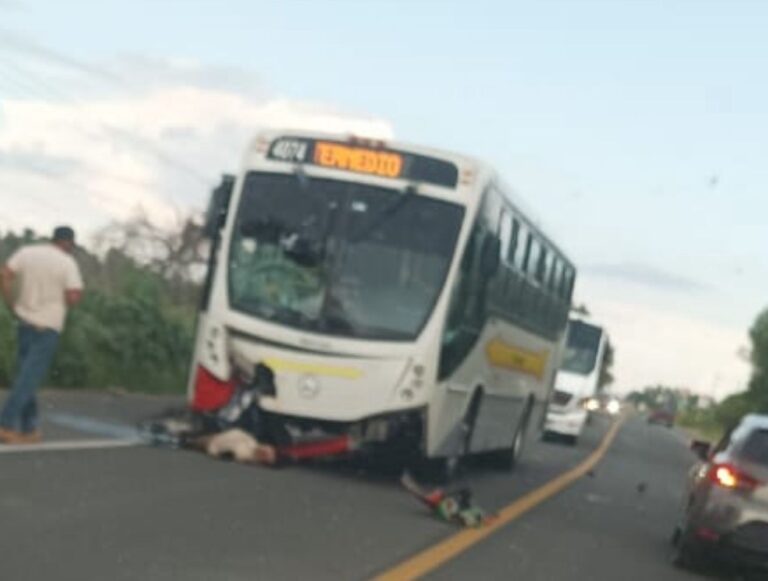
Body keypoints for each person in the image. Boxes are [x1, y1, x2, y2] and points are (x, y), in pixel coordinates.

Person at [0, 226, 84, 444]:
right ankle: (5, 423)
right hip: (48, 326)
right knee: (28, 378)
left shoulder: (28, 253)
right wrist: (63, 300)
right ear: (68, 243)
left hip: (24, 322)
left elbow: (5, 274)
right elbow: (74, 296)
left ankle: (29, 429)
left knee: (26, 376)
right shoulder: (67, 263)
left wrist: (12, 303)